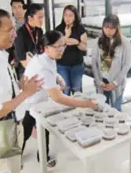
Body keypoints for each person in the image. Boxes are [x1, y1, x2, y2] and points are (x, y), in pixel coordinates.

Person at [23, 30, 98, 166]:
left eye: (63, 45)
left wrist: (59, 78)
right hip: (34, 103)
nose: (62, 49)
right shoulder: (42, 67)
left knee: (35, 129)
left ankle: (41, 157)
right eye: (58, 46)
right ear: (47, 47)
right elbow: (59, 98)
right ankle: (34, 158)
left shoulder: (46, 57)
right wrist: (86, 104)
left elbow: (52, 70)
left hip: (39, 100)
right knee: (31, 129)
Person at [0, 9, 42, 170]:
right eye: (10, 31)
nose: (15, 35)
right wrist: (26, 93)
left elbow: (4, 89)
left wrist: (21, 85)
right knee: (8, 168)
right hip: (3, 130)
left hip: (12, 125)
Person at [91, 14, 131, 112]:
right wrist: (99, 81)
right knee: (101, 109)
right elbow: (94, 62)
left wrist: (115, 83)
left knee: (115, 110)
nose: (108, 31)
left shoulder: (125, 42)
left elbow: (126, 65)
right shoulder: (99, 41)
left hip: (116, 84)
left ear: (117, 28)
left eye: (111, 28)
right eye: (105, 27)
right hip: (102, 82)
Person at [55, 5, 87, 95]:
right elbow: (56, 47)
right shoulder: (58, 29)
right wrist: (67, 37)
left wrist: (76, 43)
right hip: (62, 66)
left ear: (75, 16)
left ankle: (79, 108)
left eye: (70, 15)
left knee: (77, 91)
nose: (67, 18)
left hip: (77, 65)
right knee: (65, 90)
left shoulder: (80, 29)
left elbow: (84, 47)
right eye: (65, 15)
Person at [14, 3, 44, 79]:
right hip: (26, 71)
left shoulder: (39, 30)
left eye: (42, 17)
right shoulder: (20, 33)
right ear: (30, 18)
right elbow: (22, 59)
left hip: (38, 68)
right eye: (39, 17)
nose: (42, 20)